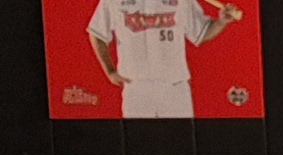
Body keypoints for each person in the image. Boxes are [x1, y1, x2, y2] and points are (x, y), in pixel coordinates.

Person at [86, 0, 242, 119]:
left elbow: (202, 32)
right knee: (138, 147)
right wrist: (110, 70)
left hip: (174, 87)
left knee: (179, 146)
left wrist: (222, 22)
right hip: (136, 87)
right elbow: (97, 33)